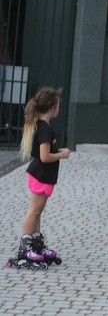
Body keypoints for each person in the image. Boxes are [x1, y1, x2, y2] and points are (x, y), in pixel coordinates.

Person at [16, 87, 71, 266]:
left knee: (37, 211)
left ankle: (37, 244)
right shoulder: (45, 128)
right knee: (34, 211)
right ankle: (25, 248)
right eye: (58, 105)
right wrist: (62, 154)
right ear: (54, 107)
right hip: (41, 175)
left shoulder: (40, 125)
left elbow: (45, 153)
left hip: (41, 174)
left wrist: (58, 151)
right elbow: (45, 156)